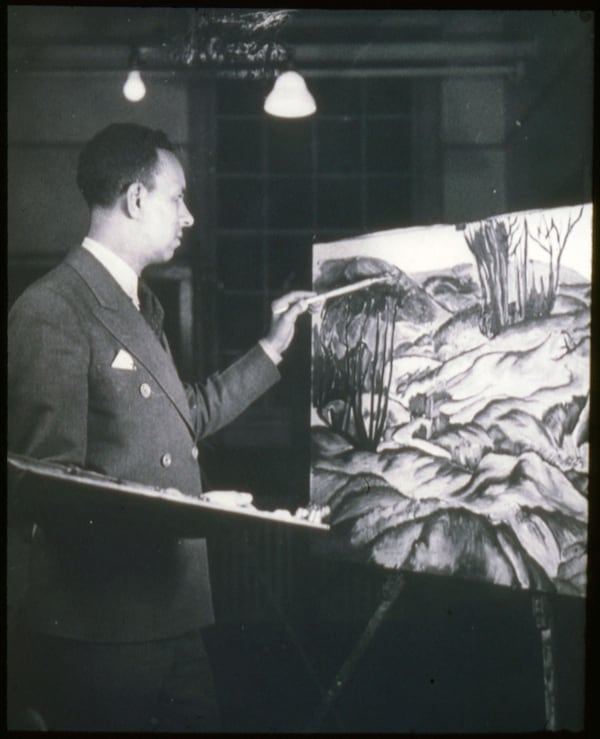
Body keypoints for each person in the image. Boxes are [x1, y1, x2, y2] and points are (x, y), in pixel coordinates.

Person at [7, 122, 315, 732]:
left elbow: (184, 418)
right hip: (105, 628)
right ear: (136, 199)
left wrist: (272, 349)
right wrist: (185, 510)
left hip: (171, 616)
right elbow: (48, 486)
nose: (190, 215)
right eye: (178, 197)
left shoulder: (139, 305)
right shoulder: (51, 310)